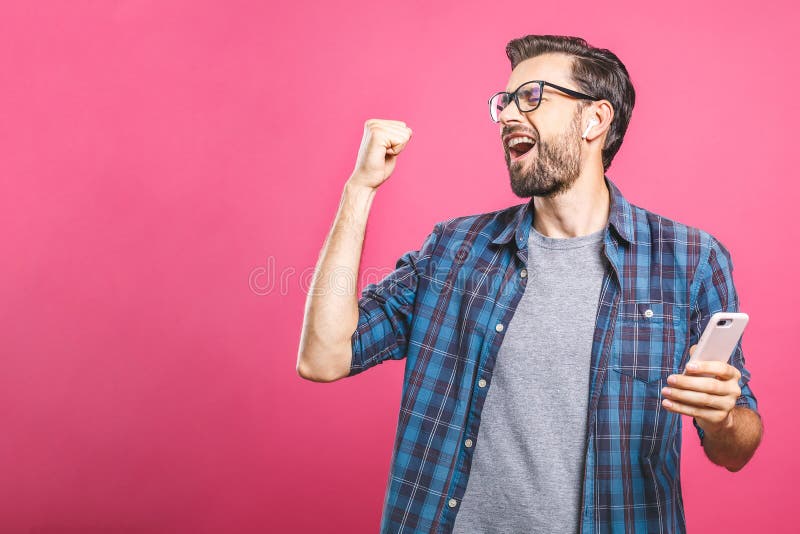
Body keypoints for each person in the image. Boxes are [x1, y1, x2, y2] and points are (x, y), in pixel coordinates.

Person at [296, 34, 763, 534]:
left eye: (532, 97)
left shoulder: (688, 259)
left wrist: (721, 419)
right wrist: (359, 189)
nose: (509, 116)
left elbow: (737, 448)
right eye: (504, 103)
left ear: (595, 120)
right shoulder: (455, 251)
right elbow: (323, 357)